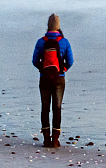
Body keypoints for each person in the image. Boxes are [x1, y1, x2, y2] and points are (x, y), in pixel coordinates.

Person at [31, 13, 73, 147]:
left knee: (45, 108)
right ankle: (55, 140)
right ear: (58, 27)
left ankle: (46, 139)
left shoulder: (41, 41)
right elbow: (70, 61)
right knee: (57, 108)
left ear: (48, 26)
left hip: (44, 79)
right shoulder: (64, 42)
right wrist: (63, 70)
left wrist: (43, 70)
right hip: (59, 79)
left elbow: (34, 61)